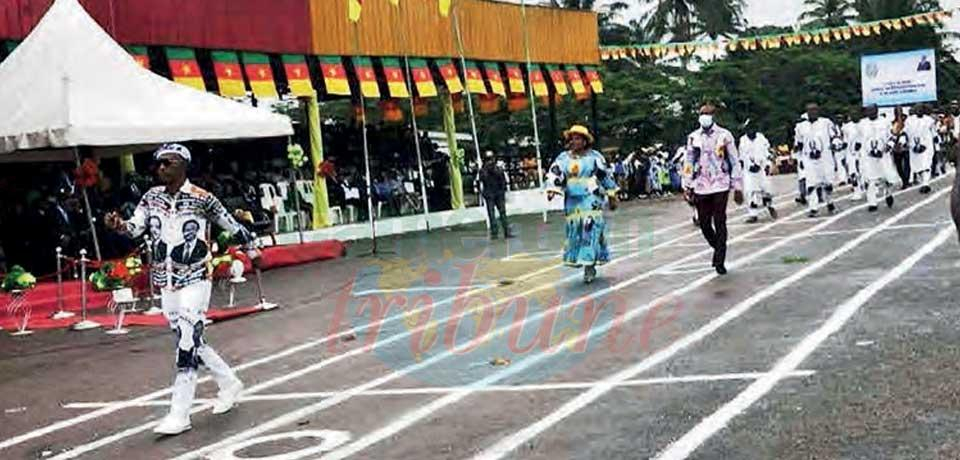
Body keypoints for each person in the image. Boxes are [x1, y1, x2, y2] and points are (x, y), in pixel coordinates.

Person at [105, 144, 260, 436]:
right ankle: (228, 381)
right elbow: (135, 228)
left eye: (168, 163)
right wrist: (119, 226)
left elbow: (231, 224)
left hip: (196, 277)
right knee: (189, 339)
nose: (161, 168)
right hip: (166, 280)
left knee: (186, 345)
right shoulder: (151, 198)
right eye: (159, 164)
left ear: (183, 166)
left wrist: (252, 251)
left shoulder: (203, 199)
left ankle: (180, 413)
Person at [545, 125, 619, 284]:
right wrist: (552, 189)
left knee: (589, 227)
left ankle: (589, 265)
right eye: (572, 138)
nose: (574, 141)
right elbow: (555, 173)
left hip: (591, 197)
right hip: (572, 199)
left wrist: (611, 194)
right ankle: (581, 258)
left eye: (578, 138)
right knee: (576, 229)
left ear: (585, 141)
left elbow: (605, 176)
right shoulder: (563, 158)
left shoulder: (594, 157)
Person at [682, 104, 743, 275]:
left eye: (708, 114)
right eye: (702, 114)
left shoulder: (724, 135)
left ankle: (719, 259)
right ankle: (719, 247)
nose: (705, 116)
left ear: (714, 116)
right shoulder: (693, 137)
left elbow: (734, 160)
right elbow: (689, 161)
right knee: (704, 223)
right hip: (701, 184)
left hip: (720, 183)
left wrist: (737, 186)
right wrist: (687, 184)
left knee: (720, 220)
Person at [794, 103, 839, 217]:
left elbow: (835, 137)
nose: (812, 112)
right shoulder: (801, 126)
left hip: (825, 158)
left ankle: (830, 203)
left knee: (827, 183)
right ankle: (813, 208)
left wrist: (835, 144)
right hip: (809, 160)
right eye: (810, 110)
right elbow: (798, 144)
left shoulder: (826, 123)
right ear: (806, 112)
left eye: (814, 110)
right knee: (811, 184)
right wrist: (799, 160)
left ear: (818, 111)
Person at [857, 105, 901, 212]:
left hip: (883, 155)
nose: (870, 113)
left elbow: (893, 135)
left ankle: (888, 193)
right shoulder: (862, 124)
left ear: (877, 111)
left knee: (887, 178)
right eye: (868, 111)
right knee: (870, 179)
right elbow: (858, 140)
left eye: (872, 111)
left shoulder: (885, 122)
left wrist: (889, 146)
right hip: (868, 157)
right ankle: (872, 203)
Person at [738, 123, 777, 223]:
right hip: (749, 171)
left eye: (753, 129)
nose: (751, 132)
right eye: (748, 129)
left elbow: (767, 152)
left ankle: (769, 205)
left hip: (762, 169)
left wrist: (769, 162)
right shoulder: (743, 140)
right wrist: (749, 165)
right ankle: (753, 214)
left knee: (766, 190)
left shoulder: (761, 138)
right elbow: (742, 156)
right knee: (750, 192)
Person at [904, 103, 937, 194]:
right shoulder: (909, 120)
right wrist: (905, 142)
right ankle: (923, 181)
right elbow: (905, 132)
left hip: (927, 146)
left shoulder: (929, 120)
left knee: (926, 165)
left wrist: (936, 140)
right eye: (917, 109)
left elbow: (933, 132)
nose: (919, 110)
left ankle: (925, 184)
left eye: (921, 109)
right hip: (913, 147)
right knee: (918, 167)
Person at [479, 150, 511, 239]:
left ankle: (506, 231)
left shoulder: (497, 169)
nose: (490, 161)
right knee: (492, 214)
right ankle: (495, 232)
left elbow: (502, 180)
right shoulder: (483, 170)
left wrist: (503, 191)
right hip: (490, 194)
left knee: (502, 213)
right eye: (488, 159)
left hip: (498, 193)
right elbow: (482, 180)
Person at [841, 112, 865, 200]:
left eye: (856, 114)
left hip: (863, 153)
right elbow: (845, 141)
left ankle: (866, 187)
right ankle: (856, 191)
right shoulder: (846, 127)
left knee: (863, 172)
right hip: (851, 154)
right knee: (853, 173)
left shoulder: (864, 124)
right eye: (853, 115)